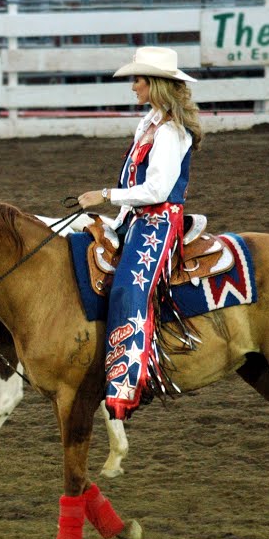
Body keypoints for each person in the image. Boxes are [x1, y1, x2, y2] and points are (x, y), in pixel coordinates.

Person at [78, 46, 202, 421]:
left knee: (130, 287)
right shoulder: (149, 122)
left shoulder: (170, 132)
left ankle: (129, 383)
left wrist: (104, 195)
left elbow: (157, 190)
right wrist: (116, 218)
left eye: (138, 79)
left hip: (160, 221)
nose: (133, 86)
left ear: (157, 84)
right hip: (137, 218)